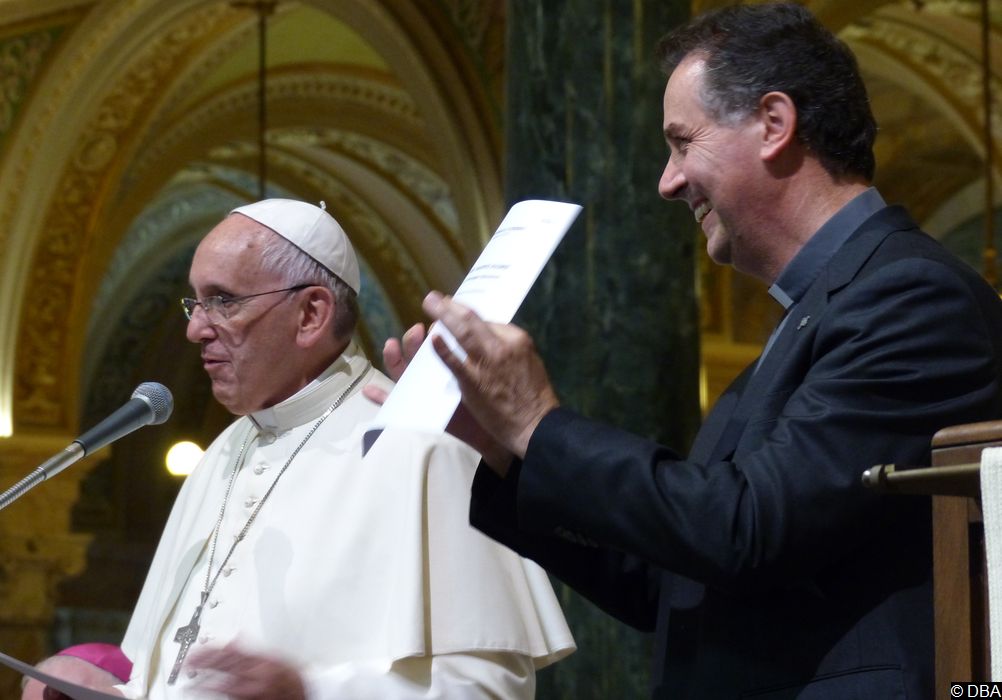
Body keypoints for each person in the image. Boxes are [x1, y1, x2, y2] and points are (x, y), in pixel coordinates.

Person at [378, 4, 1002, 698]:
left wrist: (538, 423)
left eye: (682, 141)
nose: (666, 181)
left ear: (774, 123)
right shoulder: (816, 318)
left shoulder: (912, 297)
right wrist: (501, 449)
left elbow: (747, 529)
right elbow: (675, 581)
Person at [27, 199, 574, 699]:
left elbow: (488, 690)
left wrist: (307, 694)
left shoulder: (426, 444)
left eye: (222, 301)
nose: (195, 329)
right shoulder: (218, 459)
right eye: (194, 302)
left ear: (311, 314)